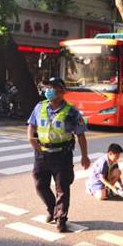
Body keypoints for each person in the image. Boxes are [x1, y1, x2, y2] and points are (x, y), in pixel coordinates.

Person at [27, 77, 91, 232]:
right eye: (47, 87)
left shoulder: (72, 112)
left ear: (62, 92)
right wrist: (31, 139)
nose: (48, 90)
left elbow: (80, 135)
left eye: (53, 88)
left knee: (62, 188)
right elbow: (32, 125)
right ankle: (52, 209)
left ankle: (61, 218)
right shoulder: (40, 107)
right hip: (42, 153)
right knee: (40, 185)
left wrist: (84, 156)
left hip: (62, 155)